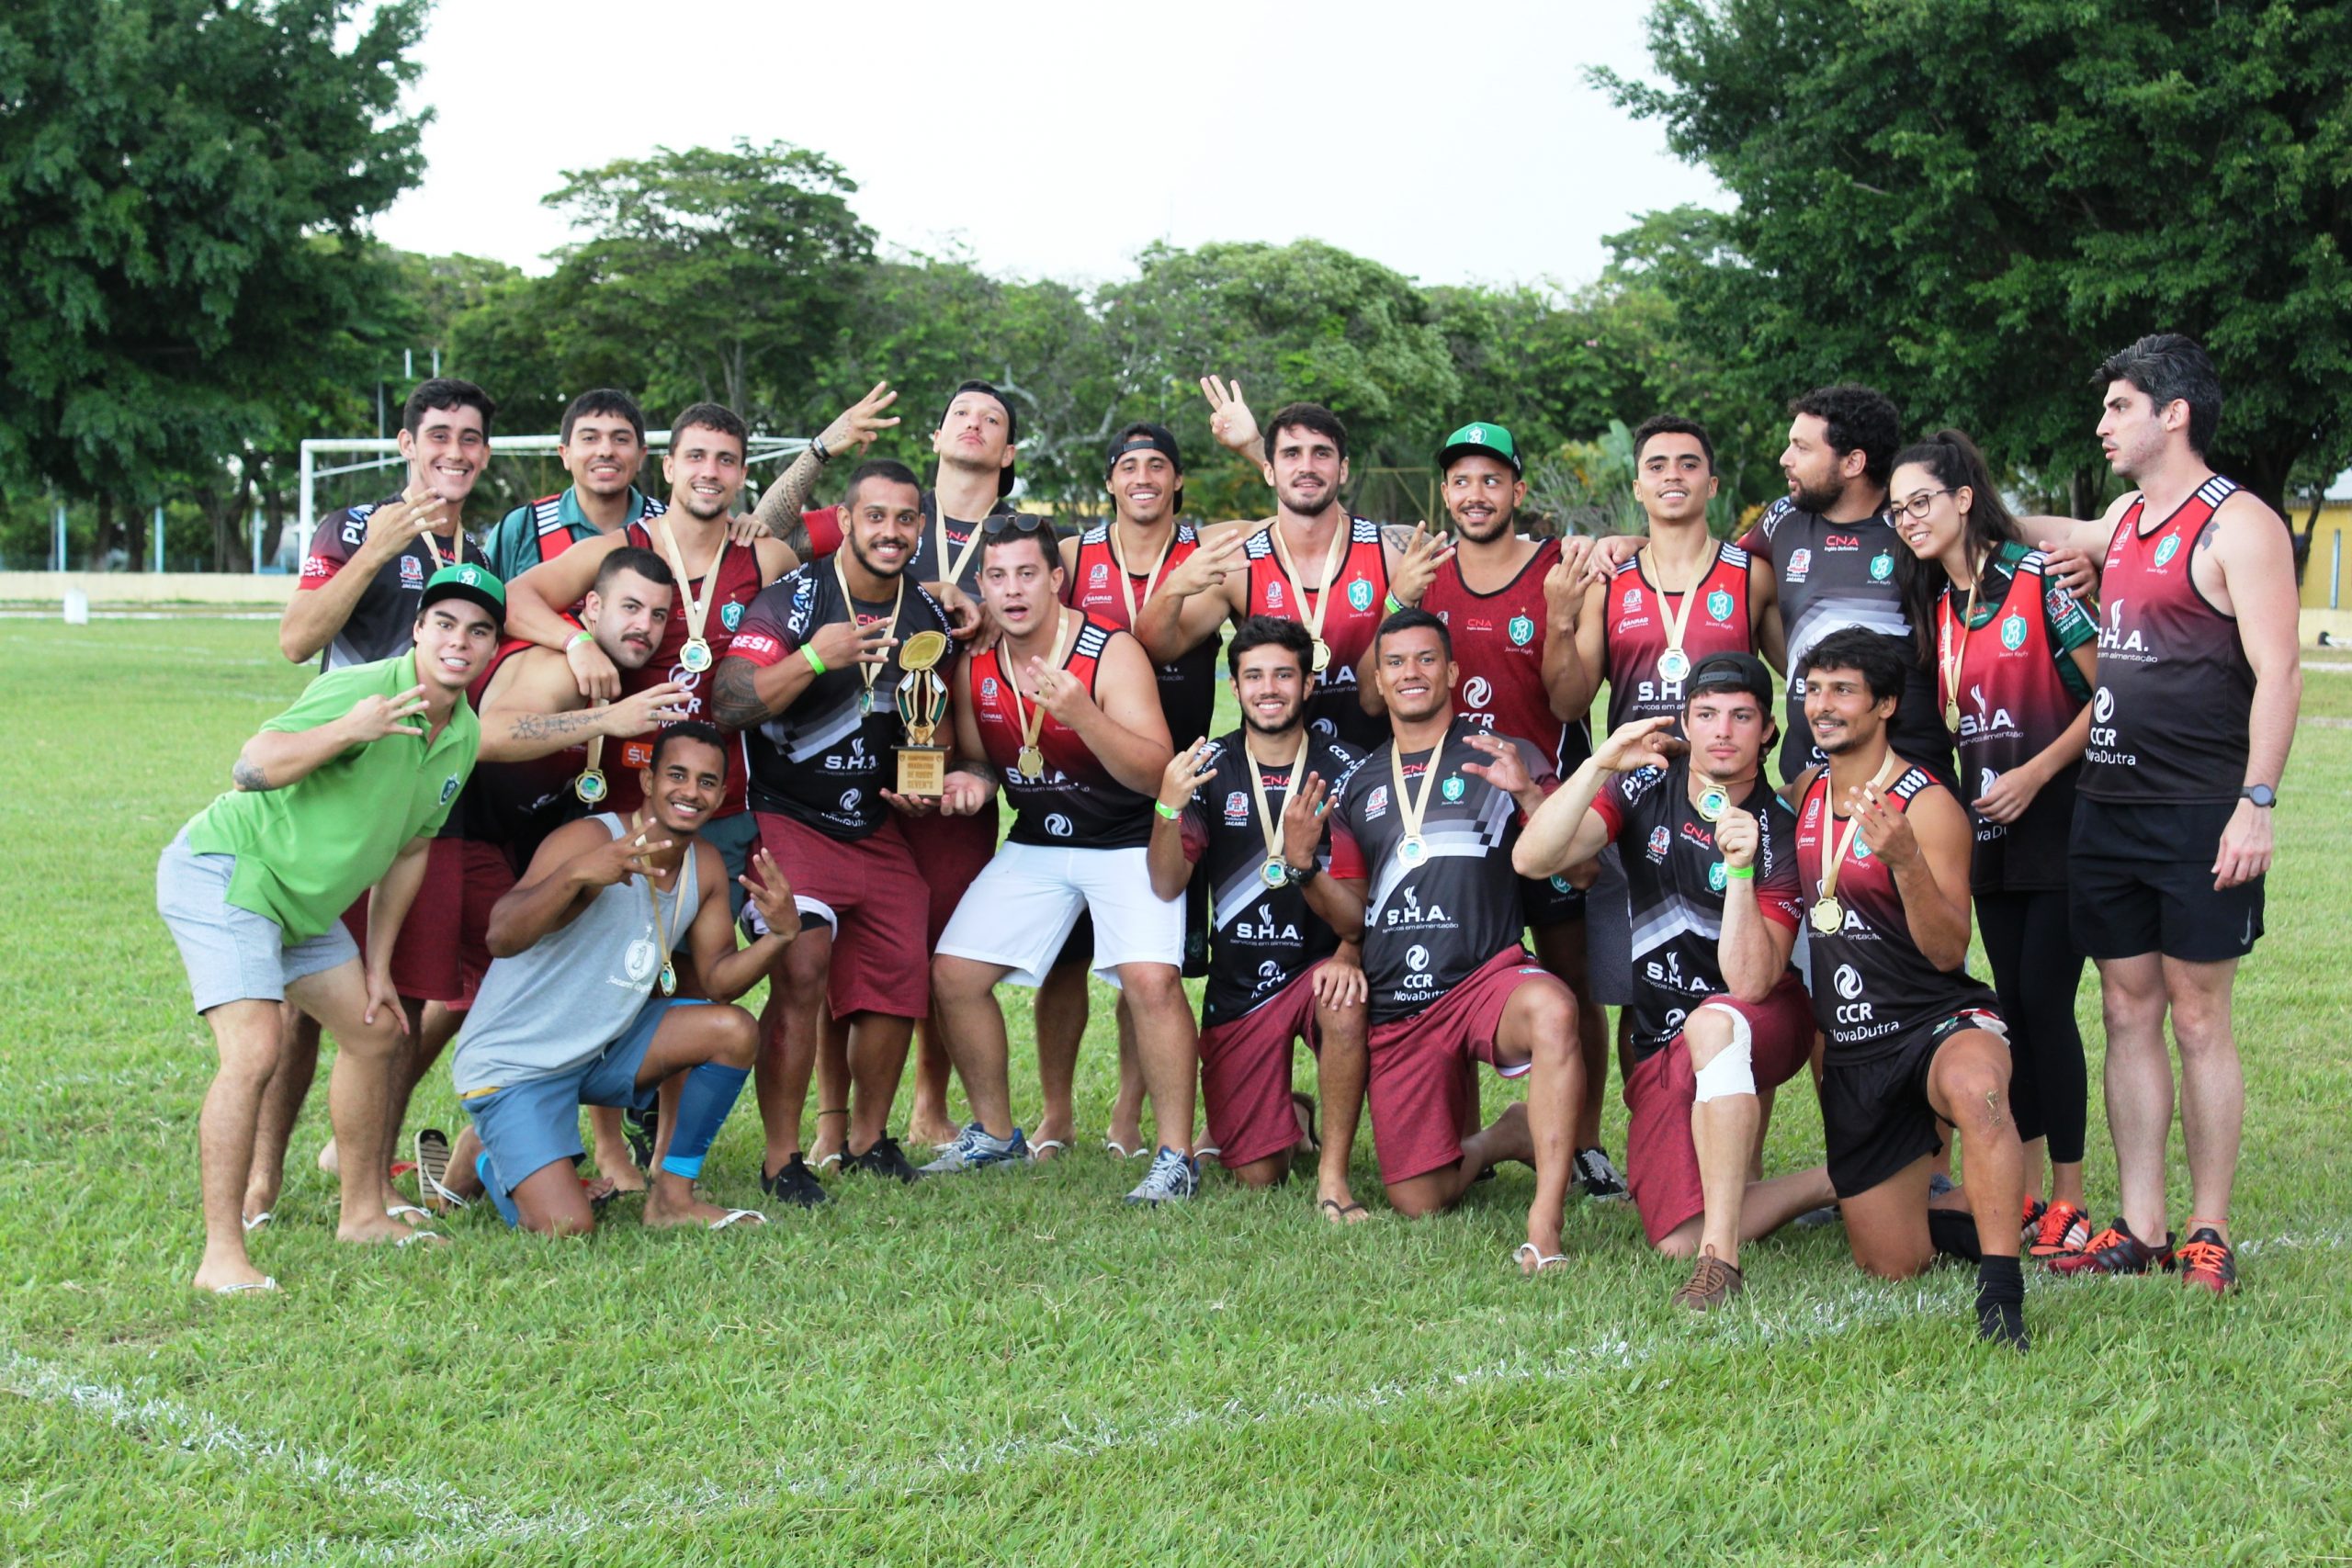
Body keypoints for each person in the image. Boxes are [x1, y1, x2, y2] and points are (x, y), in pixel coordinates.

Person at [2029, 333, 2301, 1292]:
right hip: (2108, 806)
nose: (2101, 425)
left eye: (2117, 408)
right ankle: (2139, 1226)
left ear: (2170, 414)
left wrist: (2254, 805)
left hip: (2197, 812)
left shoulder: (2239, 526)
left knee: (2196, 1018)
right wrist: (1955, 501)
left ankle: (2207, 1228)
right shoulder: (2124, 517)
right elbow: (2060, 535)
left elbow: (2279, 673)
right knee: (2124, 1007)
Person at [155, 564, 503, 1292]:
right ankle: (222, 1255)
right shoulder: (363, 688)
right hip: (231, 874)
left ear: (492, 647)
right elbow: (250, 765)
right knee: (254, 1051)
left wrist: (378, 965)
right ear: (418, 630)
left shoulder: (463, 733)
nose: (458, 641)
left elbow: (409, 850)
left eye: (478, 631)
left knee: (377, 1031)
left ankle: (362, 1213)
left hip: (303, 909)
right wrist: (352, 728)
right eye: (444, 623)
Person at [503, 401, 793, 1180]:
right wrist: (570, 639)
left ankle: (667, 1157)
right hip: (616, 794)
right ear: (667, 467)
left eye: (726, 459)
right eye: (695, 456)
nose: (710, 472)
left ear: (741, 473)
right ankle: (602, 1149)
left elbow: (824, 587)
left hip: (719, 803)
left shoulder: (760, 556)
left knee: (696, 982)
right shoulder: (620, 546)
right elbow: (517, 595)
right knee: (600, 966)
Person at [1515, 656, 1830, 1306]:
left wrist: (1741, 870)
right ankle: (1837, 1178)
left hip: (1760, 1020)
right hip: (1662, 1042)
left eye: (1742, 716)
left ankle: (1722, 1264)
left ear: (1768, 731)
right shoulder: (1644, 789)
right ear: (1685, 721)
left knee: (1714, 1020)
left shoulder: (1776, 828)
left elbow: (1749, 982)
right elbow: (1534, 856)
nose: (1723, 731)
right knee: (1673, 1236)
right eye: (1707, 714)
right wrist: (1602, 761)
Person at [253, 379, 498, 1216]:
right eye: (437, 435)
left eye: (469, 439)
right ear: (405, 444)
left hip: (432, 804)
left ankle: (372, 1177)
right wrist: (373, 552)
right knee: (305, 1007)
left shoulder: (489, 552)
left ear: (486, 454)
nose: (453, 452)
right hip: (339, 802)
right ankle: (262, 1179)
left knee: (406, 994)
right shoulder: (353, 527)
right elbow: (296, 640)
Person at [924, 518, 1199, 1204]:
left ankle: (1176, 1156)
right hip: (1041, 841)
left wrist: (1084, 716)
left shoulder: (1112, 651)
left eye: (1026, 574)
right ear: (981, 585)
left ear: (1054, 580)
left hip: (1127, 838)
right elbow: (982, 759)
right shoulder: (976, 661)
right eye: (997, 576)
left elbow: (1155, 771)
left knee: (1152, 982)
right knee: (954, 974)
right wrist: (970, 782)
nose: (1012, 591)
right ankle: (994, 1134)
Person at [709, 459, 956, 1204]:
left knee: (898, 970)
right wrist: (818, 654)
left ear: (921, 528)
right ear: (845, 520)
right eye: (875, 515)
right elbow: (729, 698)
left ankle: (870, 1139)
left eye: (906, 518)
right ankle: (782, 1157)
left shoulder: (928, 615)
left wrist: (929, 773)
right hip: (789, 815)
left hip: (874, 824)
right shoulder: (795, 595)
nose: (891, 531)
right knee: (803, 963)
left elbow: (933, 722)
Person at [439, 722, 796, 1235]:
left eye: (706, 781)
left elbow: (718, 981)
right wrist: (577, 875)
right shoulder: (589, 837)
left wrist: (778, 938)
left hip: (601, 1046)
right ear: (648, 781)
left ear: (721, 794)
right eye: (676, 775)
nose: (690, 792)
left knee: (734, 1030)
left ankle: (672, 1198)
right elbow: (501, 936)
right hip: (517, 1062)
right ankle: (487, 1153)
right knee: (566, 1227)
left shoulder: (706, 864)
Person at [1316, 608, 1586, 1269]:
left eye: (1427, 659)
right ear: (1377, 680)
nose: (1412, 673)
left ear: (1453, 672)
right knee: (1418, 1196)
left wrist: (1527, 795)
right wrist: (1303, 870)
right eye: (1397, 662)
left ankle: (1545, 1219)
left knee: (1554, 1011)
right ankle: (1505, 1134)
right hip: (1402, 1000)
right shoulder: (1358, 785)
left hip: (1486, 977)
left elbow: (1580, 867)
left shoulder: (1505, 753)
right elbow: (1353, 911)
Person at [1396, 419, 1623, 1199]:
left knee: (1571, 977)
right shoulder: (1423, 576)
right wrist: (1397, 601)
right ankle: (1458, 1133)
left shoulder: (1562, 570)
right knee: (1446, 972)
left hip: (1540, 809)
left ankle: (1584, 1140)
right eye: (1461, 480)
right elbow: (1378, 685)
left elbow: (1568, 698)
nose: (1475, 494)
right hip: (1449, 816)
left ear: (1518, 491)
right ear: (1446, 493)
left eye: (1491, 479)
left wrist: (1559, 616)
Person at [1888, 431, 2098, 1260]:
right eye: (1899, 508)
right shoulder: (1940, 609)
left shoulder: (2039, 577)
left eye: (1922, 502)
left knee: (2047, 1005)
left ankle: (2074, 1200)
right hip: (1990, 835)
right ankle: (2035, 1190)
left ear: (1964, 497)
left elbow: (2107, 688)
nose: (1908, 519)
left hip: (2062, 821)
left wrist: (2039, 774)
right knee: (2015, 1008)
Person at [1788, 627, 2029, 1348]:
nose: (1823, 706)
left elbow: (1949, 948)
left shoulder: (1927, 803)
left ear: (1886, 703)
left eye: (1843, 690)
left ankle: (2002, 1292)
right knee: (1892, 1263)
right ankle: (1982, 1204)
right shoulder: (1804, 794)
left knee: (1980, 1093)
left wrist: (1906, 862)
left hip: (1933, 1021)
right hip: (1854, 1050)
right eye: (1814, 688)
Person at [1148, 616, 1368, 1217]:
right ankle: (1292, 1113)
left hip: (1320, 963)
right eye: (1253, 676)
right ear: (1235, 685)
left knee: (1344, 999)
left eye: (1282, 674)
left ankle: (1332, 1178)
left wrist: (1349, 952)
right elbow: (1167, 882)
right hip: (1240, 983)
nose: (1268, 688)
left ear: (1308, 683)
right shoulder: (1208, 767)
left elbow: (1368, 896)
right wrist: (1168, 807)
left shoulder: (1347, 769)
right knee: (1255, 1172)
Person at [1045, 423, 1219, 1159]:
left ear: (1178, 481)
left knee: (1149, 961)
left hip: (1175, 774)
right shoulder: (1070, 557)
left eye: (1159, 465)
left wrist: (1177, 589)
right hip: (1082, 774)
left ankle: (1127, 1106)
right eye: (1128, 466)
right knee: (1066, 958)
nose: (1143, 476)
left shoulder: (1207, 557)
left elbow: (1156, 646)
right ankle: (1055, 1113)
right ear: (1110, 481)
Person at [1136, 383, 1408, 752]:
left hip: (1375, 775)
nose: (1307, 467)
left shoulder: (1390, 553)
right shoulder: (1241, 563)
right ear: (1268, 471)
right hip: (1274, 782)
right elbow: (1155, 649)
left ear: (1343, 470)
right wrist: (1173, 588)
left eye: (1321, 454)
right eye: (1292, 454)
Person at [1735, 385, 1952, 787]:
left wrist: (2092, 543)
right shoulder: (1783, 519)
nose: (1786, 459)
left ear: (1853, 462)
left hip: (1909, 780)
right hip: (1808, 782)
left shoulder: (1915, 524)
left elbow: (1995, 536)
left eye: (1801, 448)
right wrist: (1634, 545)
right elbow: (1714, 564)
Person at [479, 389, 665, 583]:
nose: (606, 451)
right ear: (564, 454)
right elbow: (480, 607)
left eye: (620, 439)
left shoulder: (671, 525)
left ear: (642, 455)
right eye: (589, 438)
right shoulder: (521, 528)